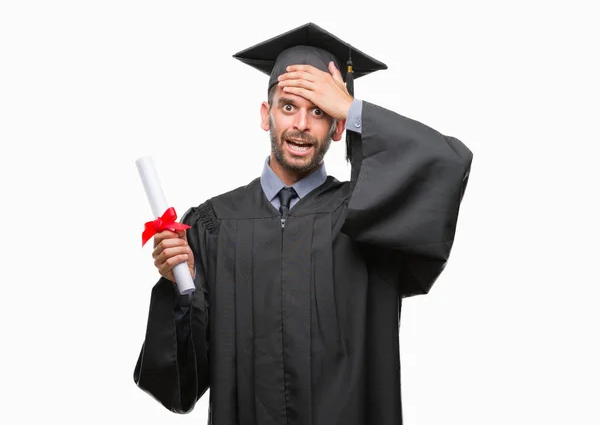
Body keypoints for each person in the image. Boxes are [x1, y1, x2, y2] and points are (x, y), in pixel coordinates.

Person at [133, 22, 473, 425]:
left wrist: (352, 106)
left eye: (320, 111)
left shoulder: (370, 214)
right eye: (288, 106)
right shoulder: (214, 224)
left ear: (338, 126)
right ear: (266, 115)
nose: (301, 125)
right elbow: (179, 385)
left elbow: (447, 166)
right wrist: (183, 291)